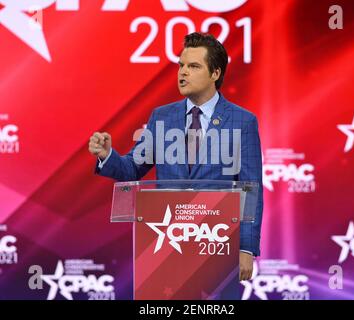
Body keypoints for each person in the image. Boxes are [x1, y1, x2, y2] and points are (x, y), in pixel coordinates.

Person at [88, 32, 263, 281]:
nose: (183, 73)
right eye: (181, 65)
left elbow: (251, 189)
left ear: (215, 73)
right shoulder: (162, 117)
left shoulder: (242, 121)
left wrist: (246, 248)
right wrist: (108, 155)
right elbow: (131, 168)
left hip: (217, 242)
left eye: (193, 66)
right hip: (165, 243)